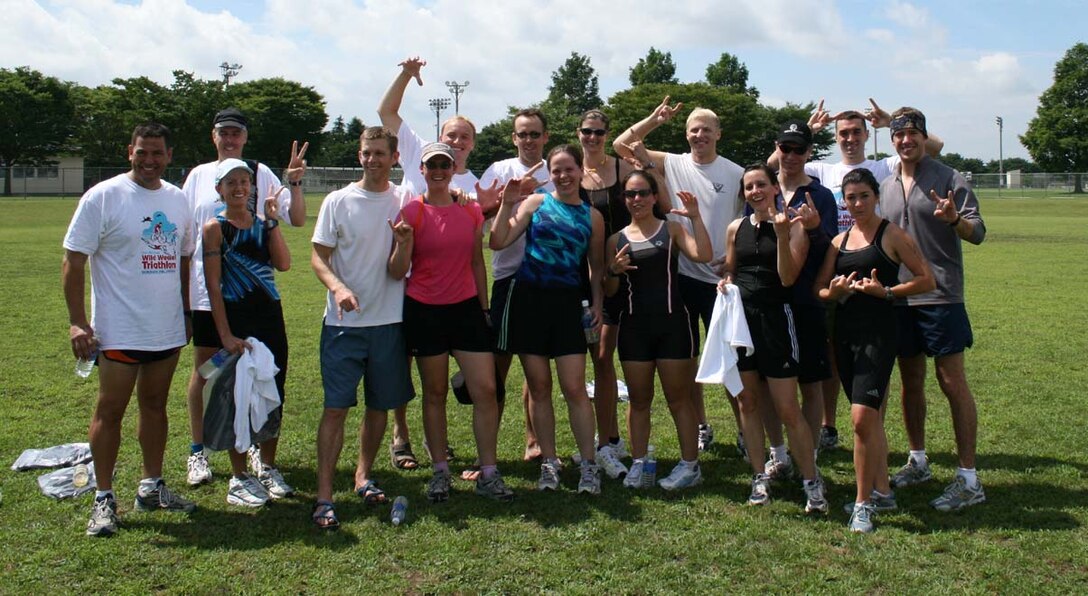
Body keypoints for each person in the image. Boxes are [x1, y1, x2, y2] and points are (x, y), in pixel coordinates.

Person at [769, 99, 943, 449]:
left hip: (874, 269)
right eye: (843, 134)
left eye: (855, 133)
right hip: (833, 268)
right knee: (834, 354)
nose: (849, 139)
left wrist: (892, 122)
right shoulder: (822, 170)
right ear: (835, 138)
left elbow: (934, 147)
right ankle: (828, 426)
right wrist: (808, 130)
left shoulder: (882, 166)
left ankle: (874, 423)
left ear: (866, 135)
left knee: (874, 356)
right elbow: (777, 162)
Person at [63, 123, 196, 537]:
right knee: (110, 410)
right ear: (129, 152)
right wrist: (77, 321)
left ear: (169, 156)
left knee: (155, 406)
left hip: (165, 328)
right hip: (118, 330)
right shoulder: (103, 196)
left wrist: (185, 311)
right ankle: (103, 498)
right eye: (142, 152)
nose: (149, 160)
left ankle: (151, 486)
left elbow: (184, 258)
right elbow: (73, 260)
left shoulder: (177, 199)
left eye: (157, 153)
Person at [182, 107, 307, 492]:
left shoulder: (260, 171)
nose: (230, 138)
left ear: (245, 137)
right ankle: (199, 450)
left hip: (255, 303)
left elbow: (294, 219)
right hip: (207, 296)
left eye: (236, 132)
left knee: (259, 377)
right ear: (213, 136)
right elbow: (186, 238)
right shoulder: (198, 176)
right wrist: (183, 300)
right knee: (208, 374)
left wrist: (294, 183)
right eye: (224, 132)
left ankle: (255, 450)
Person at [614, 98, 746, 458]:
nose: (700, 135)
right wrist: (654, 120)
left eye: (707, 130)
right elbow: (621, 144)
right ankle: (702, 425)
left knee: (731, 360)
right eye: (694, 129)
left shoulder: (735, 173)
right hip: (682, 277)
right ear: (686, 134)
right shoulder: (672, 162)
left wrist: (733, 262)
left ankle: (744, 429)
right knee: (688, 362)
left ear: (718, 134)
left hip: (721, 281)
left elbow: (745, 221)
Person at [389, 142, 513, 503]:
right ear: (422, 171)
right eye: (432, 166)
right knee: (435, 393)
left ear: (453, 169)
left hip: (466, 310)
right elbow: (397, 270)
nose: (439, 171)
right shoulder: (411, 211)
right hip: (425, 310)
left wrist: (484, 310)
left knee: (485, 389)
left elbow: (476, 261)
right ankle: (440, 471)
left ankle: (488, 472)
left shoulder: (469, 210)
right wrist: (402, 243)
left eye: (445, 165)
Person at [815, 168, 934, 533]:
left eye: (864, 196)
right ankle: (883, 491)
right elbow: (820, 289)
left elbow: (926, 279)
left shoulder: (891, 234)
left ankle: (862, 504)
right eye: (850, 198)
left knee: (861, 419)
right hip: (844, 336)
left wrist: (886, 292)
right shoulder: (839, 241)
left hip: (879, 336)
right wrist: (834, 293)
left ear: (876, 197)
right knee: (868, 422)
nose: (857, 203)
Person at [879, 107, 987, 512]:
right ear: (892, 140)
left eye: (913, 134)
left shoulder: (948, 177)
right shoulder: (886, 184)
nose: (906, 141)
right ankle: (918, 461)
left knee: (952, 381)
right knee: (911, 381)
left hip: (942, 296)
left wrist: (955, 220)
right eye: (899, 135)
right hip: (901, 296)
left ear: (924, 137)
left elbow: (978, 232)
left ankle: (968, 478)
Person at [311, 126, 416, 529]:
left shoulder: (404, 201)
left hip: (389, 323)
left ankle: (363, 476)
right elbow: (318, 257)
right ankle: (324, 496)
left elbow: (398, 271)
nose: (372, 160)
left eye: (380, 153)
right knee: (335, 408)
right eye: (366, 153)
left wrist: (403, 244)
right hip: (343, 326)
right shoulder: (338, 201)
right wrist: (338, 287)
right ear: (359, 156)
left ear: (394, 158)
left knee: (378, 406)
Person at [379, 56, 481, 471]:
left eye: (464, 138)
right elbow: (387, 112)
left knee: (443, 367)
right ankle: (400, 434)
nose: (456, 143)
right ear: (439, 138)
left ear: (472, 145)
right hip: (401, 272)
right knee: (404, 359)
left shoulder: (473, 185)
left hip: (448, 288)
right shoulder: (419, 153)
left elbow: (477, 238)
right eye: (451, 136)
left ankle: (436, 440)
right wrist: (406, 74)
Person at [491, 144, 606, 494]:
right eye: (556, 170)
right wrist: (507, 203)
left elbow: (596, 267)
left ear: (581, 171)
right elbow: (497, 241)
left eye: (569, 169)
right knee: (539, 388)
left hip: (569, 307)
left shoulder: (593, 216)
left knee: (575, 388)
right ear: (549, 174)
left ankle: (589, 466)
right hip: (530, 305)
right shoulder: (535, 203)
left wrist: (597, 304)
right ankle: (549, 462)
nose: (563, 176)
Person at [719, 163, 826, 513]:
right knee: (748, 402)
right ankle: (758, 476)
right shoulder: (735, 228)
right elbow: (732, 268)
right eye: (749, 187)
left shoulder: (793, 227)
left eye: (761, 185)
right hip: (742, 323)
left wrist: (780, 236)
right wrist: (726, 281)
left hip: (777, 321)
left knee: (787, 407)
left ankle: (811, 481)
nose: (755, 192)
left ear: (774, 188)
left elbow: (787, 277)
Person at [605, 171, 711, 490]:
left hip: (673, 325)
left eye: (642, 193)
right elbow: (610, 290)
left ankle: (690, 466)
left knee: (679, 399)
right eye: (630, 194)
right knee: (639, 400)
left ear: (654, 197)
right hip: (634, 328)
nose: (636, 199)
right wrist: (613, 270)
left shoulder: (672, 229)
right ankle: (638, 464)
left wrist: (695, 217)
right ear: (624, 200)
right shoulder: (616, 240)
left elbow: (703, 255)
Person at [201, 159, 292, 508]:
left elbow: (283, 264)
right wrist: (224, 334)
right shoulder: (215, 228)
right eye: (231, 183)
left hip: (269, 316)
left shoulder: (262, 224)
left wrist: (272, 222)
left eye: (244, 181)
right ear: (219, 189)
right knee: (236, 395)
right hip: (236, 317)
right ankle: (239, 476)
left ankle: (267, 466)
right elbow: (213, 284)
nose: (239, 188)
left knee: (273, 390)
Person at [751, 122, 837, 482]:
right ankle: (779, 453)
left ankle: (809, 454)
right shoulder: (762, 189)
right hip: (768, 303)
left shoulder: (820, 195)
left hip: (805, 300)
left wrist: (814, 228)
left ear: (808, 153)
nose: (790, 156)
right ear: (777, 148)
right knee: (767, 384)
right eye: (785, 148)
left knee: (810, 383)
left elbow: (831, 247)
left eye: (798, 149)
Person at [478, 108, 554, 464]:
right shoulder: (499, 170)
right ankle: (487, 455)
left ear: (545, 137)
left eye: (535, 134)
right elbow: (479, 219)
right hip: (508, 277)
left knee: (536, 368)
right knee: (497, 368)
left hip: (548, 281)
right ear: (513, 138)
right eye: (522, 134)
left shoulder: (557, 171)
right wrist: (509, 199)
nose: (528, 140)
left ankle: (533, 440)